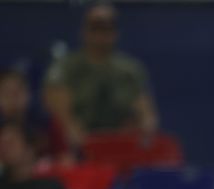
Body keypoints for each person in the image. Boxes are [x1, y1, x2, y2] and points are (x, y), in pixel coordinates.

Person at [43, 2, 158, 148]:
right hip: (79, 144)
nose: (101, 35)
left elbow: (146, 113)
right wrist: (73, 130)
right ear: (84, 30)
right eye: (95, 27)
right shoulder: (66, 67)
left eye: (107, 28)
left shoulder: (130, 69)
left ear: (116, 32)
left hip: (120, 142)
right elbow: (57, 108)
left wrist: (145, 125)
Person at [0, 68, 65, 159]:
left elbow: (64, 157)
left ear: (28, 94)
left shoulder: (46, 123)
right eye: (7, 93)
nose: (13, 98)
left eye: (17, 92)